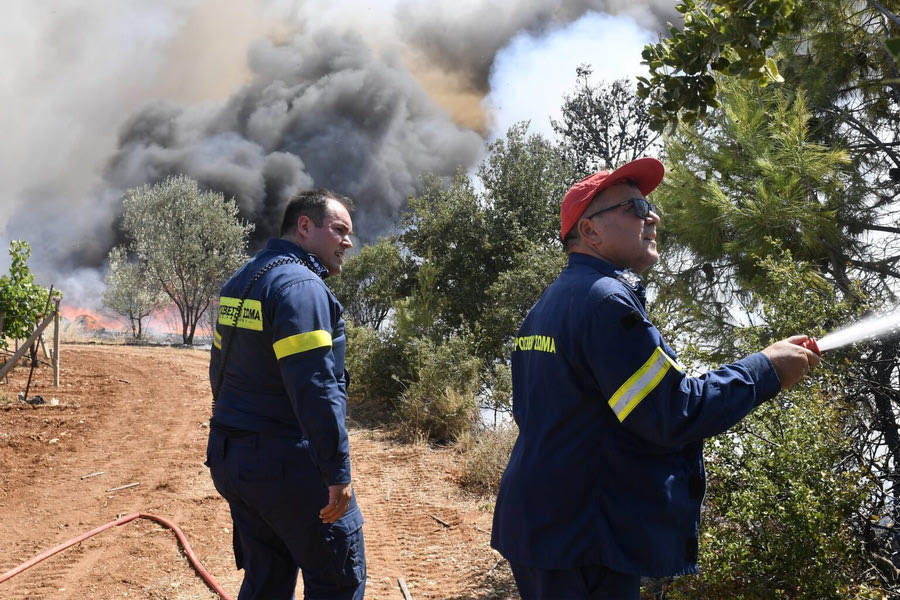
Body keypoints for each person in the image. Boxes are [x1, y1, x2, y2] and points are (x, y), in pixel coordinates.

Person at [490, 157, 819, 600]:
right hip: (582, 538)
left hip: (544, 526)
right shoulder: (605, 304)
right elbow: (672, 412)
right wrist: (765, 370)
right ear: (590, 231)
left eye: (648, 205)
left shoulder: (551, 302)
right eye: (635, 207)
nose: (653, 216)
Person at [206, 188, 365, 599]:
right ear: (305, 227)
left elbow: (218, 371)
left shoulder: (241, 281)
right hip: (286, 465)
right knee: (337, 580)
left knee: (267, 579)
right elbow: (315, 387)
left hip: (233, 459)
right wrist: (336, 472)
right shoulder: (300, 288)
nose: (347, 241)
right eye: (339, 230)